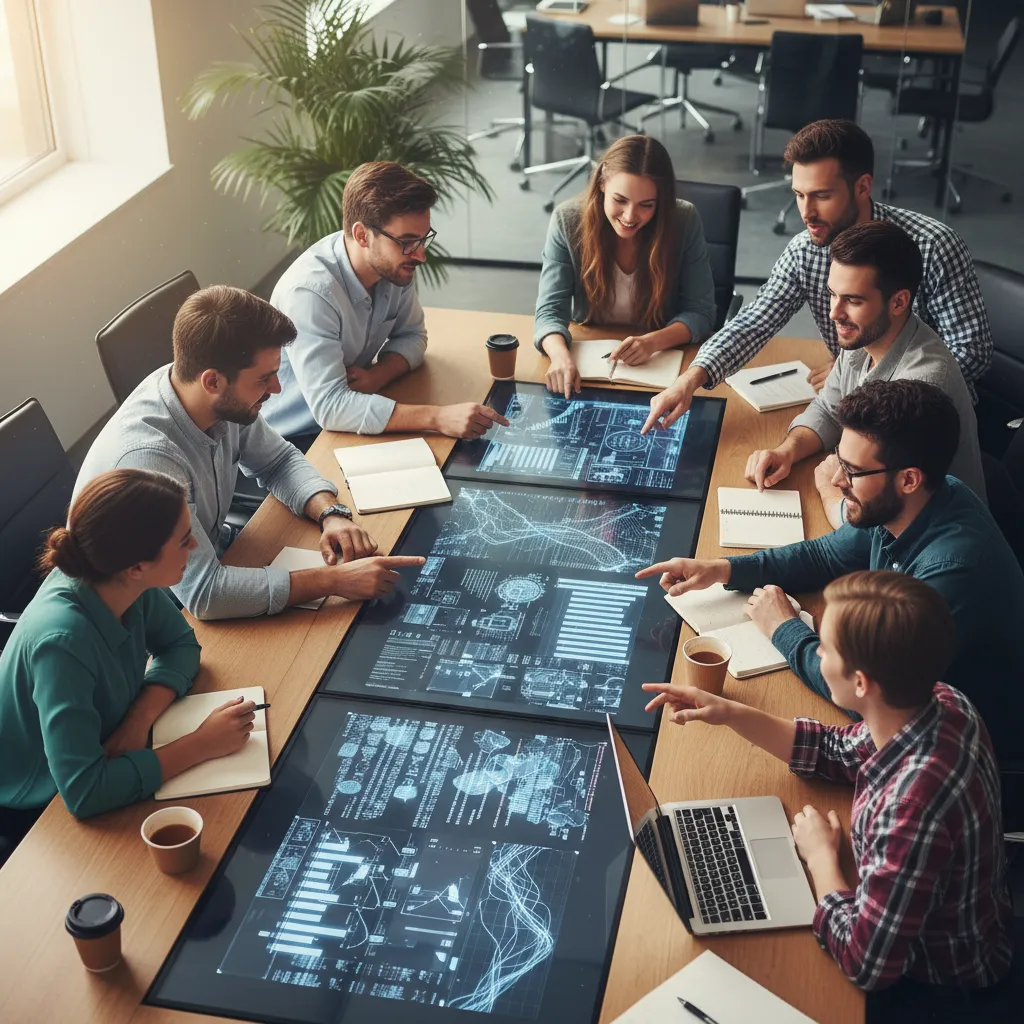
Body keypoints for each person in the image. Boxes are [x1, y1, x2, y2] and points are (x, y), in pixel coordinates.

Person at [643, 571, 1013, 1010]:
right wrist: (728, 712)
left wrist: (820, 858)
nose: (815, 651)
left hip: (941, 985)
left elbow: (866, 962)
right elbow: (836, 750)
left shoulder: (909, 808)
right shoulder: (941, 701)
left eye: (824, 647)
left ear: (860, 683)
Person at [637, 378, 1024, 763]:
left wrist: (783, 628)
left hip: (968, 761)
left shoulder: (953, 571)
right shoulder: (910, 499)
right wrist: (721, 570)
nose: (838, 481)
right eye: (841, 460)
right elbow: (828, 556)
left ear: (909, 479)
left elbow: (869, 697)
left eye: (853, 471)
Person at [75, 285, 424, 620]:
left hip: (219, 556)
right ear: (212, 381)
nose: (277, 388)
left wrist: (330, 513)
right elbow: (204, 594)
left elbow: (278, 461)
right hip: (158, 614)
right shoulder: (149, 461)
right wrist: (336, 581)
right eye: (264, 379)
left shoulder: (212, 397)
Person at [642, 119, 992, 434]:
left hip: (929, 422)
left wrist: (863, 377)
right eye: (799, 195)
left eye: (822, 196)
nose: (806, 212)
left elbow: (971, 353)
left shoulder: (933, 245)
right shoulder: (805, 250)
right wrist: (690, 379)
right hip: (849, 407)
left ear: (863, 186)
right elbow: (754, 321)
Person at [0, 469, 259, 847]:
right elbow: (85, 793)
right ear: (137, 566)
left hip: (109, 743)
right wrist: (202, 744)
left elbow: (181, 645)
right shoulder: (61, 642)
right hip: (35, 802)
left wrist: (140, 718)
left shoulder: (122, 580)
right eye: (185, 540)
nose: (196, 548)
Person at [744, 220, 985, 524]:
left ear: (899, 302)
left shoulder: (921, 385)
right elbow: (829, 409)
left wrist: (826, 486)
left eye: (853, 300)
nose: (834, 313)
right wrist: (787, 451)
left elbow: (874, 520)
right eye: (833, 294)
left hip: (923, 544)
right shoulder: (865, 337)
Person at [265, 161, 508, 443]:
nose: (420, 255)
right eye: (406, 241)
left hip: (356, 411)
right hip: (296, 439)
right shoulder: (311, 294)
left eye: (422, 239)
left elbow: (414, 335)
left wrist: (378, 375)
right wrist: (438, 417)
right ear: (361, 235)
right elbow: (331, 408)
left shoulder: (394, 267)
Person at [533, 134, 717, 398]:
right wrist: (560, 358)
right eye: (620, 200)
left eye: (646, 205)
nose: (630, 217)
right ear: (602, 182)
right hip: (591, 364)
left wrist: (653, 341)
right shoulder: (567, 221)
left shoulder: (683, 220)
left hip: (662, 367)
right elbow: (549, 311)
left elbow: (701, 311)